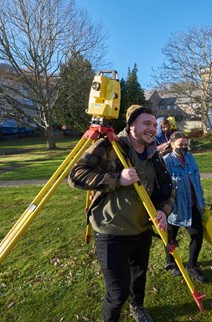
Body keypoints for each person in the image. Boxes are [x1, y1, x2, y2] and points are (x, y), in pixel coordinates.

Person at [68, 105, 174, 322]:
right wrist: (117, 179)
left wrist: (163, 211)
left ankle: (138, 307)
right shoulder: (111, 145)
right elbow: (76, 175)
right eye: (146, 123)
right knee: (117, 294)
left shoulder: (154, 153)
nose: (152, 128)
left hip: (142, 230)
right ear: (132, 124)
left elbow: (167, 188)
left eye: (154, 125)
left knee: (139, 276)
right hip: (111, 232)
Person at [162, 132, 206, 282]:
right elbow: (162, 187)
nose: (184, 148)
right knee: (170, 239)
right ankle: (170, 262)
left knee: (197, 235)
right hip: (174, 209)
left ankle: (192, 265)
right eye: (180, 145)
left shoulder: (190, 158)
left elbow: (197, 181)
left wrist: (202, 201)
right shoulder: (166, 161)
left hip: (193, 205)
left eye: (186, 145)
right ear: (172, 144)